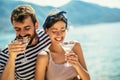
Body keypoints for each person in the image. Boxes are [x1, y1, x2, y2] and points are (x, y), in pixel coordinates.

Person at [35, 10, 90, 80]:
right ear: (46, 31)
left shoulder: (75, 46)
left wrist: (77, 65)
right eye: (54, 31)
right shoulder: (44, 57)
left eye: (63, 30)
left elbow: (87, 78)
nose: (59, 35)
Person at [0, 5, 51, 80]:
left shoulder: (47, 36)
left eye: (27, 28)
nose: (22, 34)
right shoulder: (5, 54)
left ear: (36, 25)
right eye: (17, 29)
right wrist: (12, 58)